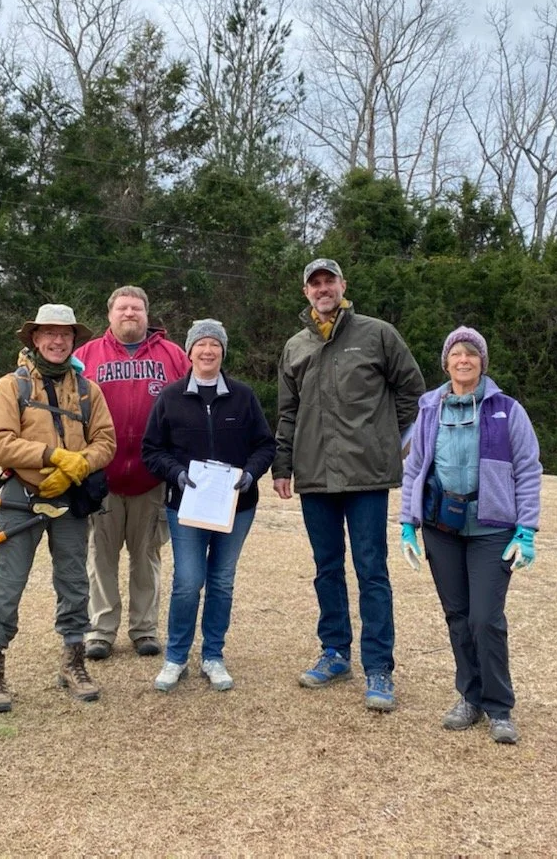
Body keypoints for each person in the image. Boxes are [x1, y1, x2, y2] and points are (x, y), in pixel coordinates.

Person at [272, 259, 425, 712]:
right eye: (314, 283)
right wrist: (283, 465)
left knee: (371, 570)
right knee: (326, 568)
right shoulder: (296, 346)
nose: (323, 289)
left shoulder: (378, 334)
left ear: (343, 285)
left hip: (366, 476)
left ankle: (379, 667)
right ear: (306, 292)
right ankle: (335, 652)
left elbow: (413, 392)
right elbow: (287, 411)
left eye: (329, 281)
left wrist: (389, 441)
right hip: (315, 475)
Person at [398, 325, 542, 744]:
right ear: (446, 362)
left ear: (482, 362)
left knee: (485, 618)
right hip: (442, 527)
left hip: (491, 529)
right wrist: (408, 522)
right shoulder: (429, 409)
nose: (464, 360)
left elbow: (529, 470)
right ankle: (470, 697)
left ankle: (499, 708)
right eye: (456, 354)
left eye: (471, 354)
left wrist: (527, 530)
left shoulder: (506, 410)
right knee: (458, 617)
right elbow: (414, 468)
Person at [0, 304, 117, 710]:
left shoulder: (90, 390)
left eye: (65, 335)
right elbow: (0, 442)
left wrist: (80, 467)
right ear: (35, 339)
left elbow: (105, 441)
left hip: (70, 497)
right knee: (8, 585)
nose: (57, 341)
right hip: (21, 496)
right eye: (49, 334)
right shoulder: (11, 387)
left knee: (75, 582)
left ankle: (73, 662)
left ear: (73, 341)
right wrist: (53, 457)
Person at [141, 320, 276, 692]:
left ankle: (213, 655)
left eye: (215, 344)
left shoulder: (243, 397)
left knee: (221, 581)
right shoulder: (169, 397)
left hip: (237, 505)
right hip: (186, 507)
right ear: (189, 351)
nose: (208, 351)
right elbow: (152, 450)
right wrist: (177, 474)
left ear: (223, 351)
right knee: (188, 582)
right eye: (201, 344)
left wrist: (250, 474)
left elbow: (265, 445)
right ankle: (176, 658)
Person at [75, 286, 189, 660]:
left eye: (136, 308)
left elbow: (191, 407)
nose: (129, 313)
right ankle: (100, 631)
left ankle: (144, 629)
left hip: (152, 477)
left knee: (147, 556)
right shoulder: (84, 356)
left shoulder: (173, 356)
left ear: (146, 314)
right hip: (101, 477)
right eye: (122, 307)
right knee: (100, 557)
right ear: (109, 315)